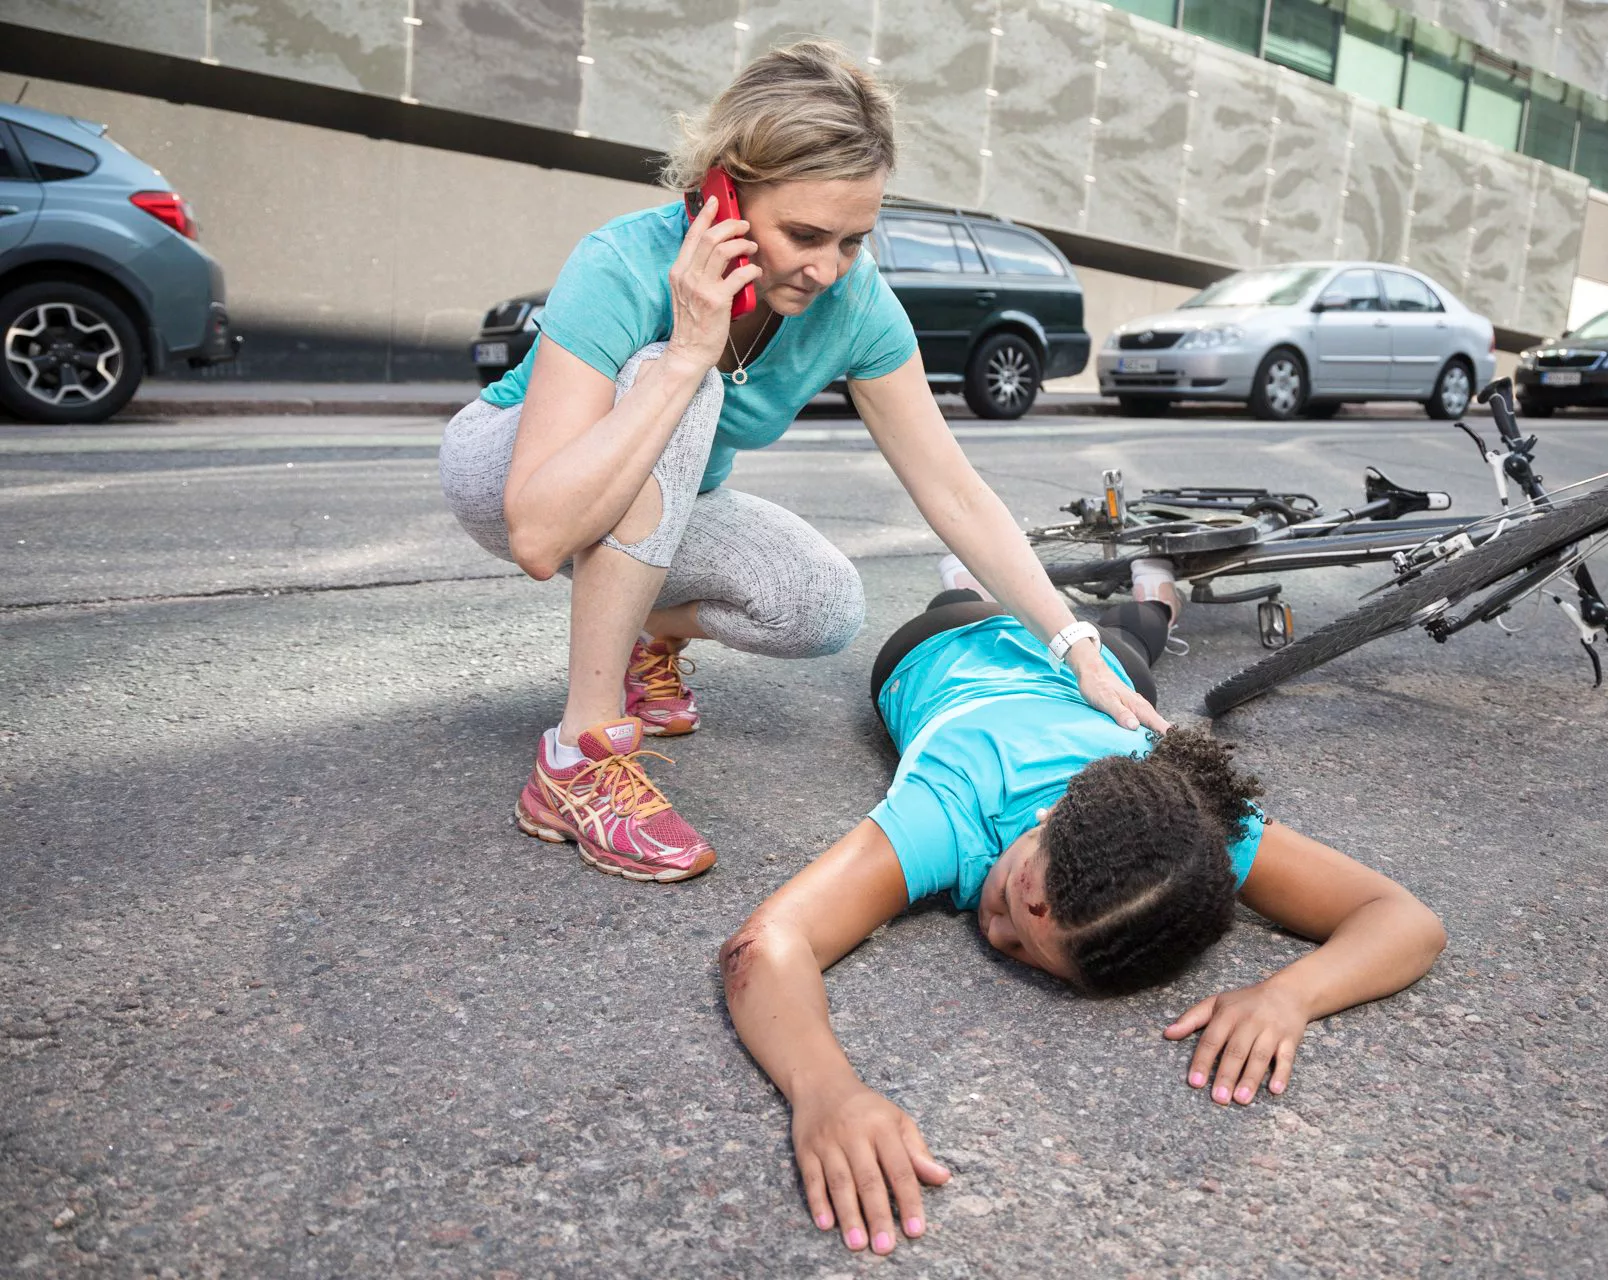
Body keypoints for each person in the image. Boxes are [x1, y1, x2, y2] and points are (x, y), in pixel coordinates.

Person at [438, 41, 1161, 885]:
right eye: (805, 235)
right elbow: (536, 532)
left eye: (855, 239)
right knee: (684, 384)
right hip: (513, 474)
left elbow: (954, 491)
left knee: (822, 605)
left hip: (652, 503)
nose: (829, 268)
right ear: (723, 191)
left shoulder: (855, 302)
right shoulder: (621, 263)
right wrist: (687, 352)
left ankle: (640, 632)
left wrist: (1073, 643)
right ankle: (579, 758)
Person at [720, 572, 1449, 1256]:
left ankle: (1158, 590)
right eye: (1008, 900)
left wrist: (1290, 995)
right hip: (946, 646)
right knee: (969, 605)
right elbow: (768, 942)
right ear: (1044, 818)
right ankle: (977, 580)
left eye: (1023, 949)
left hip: (1106, 684)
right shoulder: (954, 805)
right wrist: (824, 1091)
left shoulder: (1192, 831)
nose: (994, 927)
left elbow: (1406, 921)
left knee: (1134, 636)